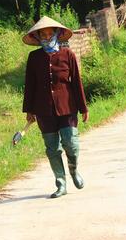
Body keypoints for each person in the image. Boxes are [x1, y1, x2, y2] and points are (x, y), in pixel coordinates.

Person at [22, 16, 89, 198]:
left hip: (67, 107)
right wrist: (29, 110)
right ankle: (61, 183)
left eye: (50, 33)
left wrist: (83, 107)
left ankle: (74, 171)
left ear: (57, 34)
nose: (46, 36)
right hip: (43, 110)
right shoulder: (34, 58)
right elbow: (30, 85)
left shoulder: (68, 55)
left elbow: (76, 82)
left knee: (71, 144)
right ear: (37, 37)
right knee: (52, 149)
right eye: (42, 34)